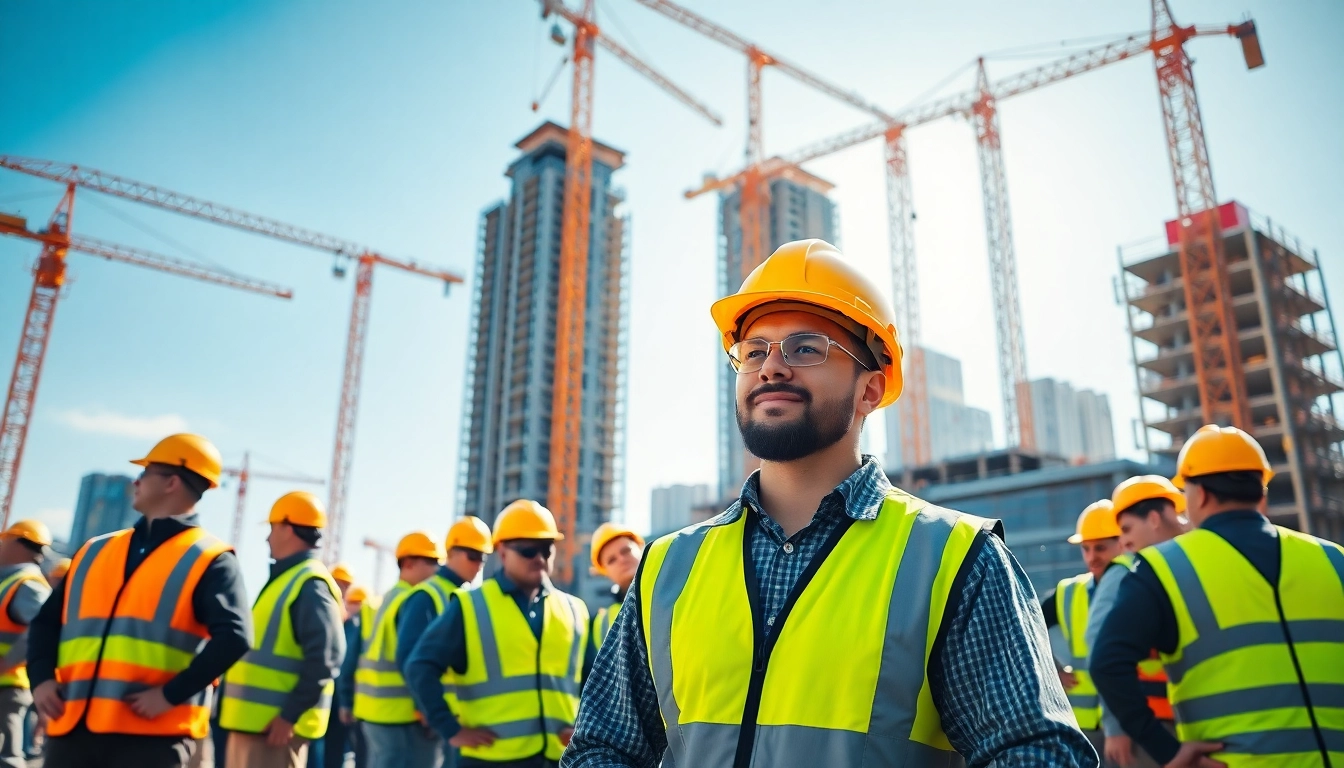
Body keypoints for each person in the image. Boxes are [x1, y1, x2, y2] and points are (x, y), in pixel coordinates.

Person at [562, 239, 1094, 766]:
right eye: (754, 351)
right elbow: (603, 748)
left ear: (870, 391)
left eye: (805, 347)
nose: (772, 367)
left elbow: (1035, 755)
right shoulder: (667, 567)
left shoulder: (958, 561)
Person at [1093, 425, 1344, 767]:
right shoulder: (1332, 558)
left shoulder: (1163, 567)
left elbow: (1107, 663)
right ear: (1261, 489)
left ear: (1200, 495)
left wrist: (1166, 751)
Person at [27, 433, 252, 768]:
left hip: (151, 739)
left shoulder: (211, 558)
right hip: (72, 728)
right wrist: (41, 678)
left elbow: (235, 637)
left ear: (172, 482)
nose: (137, 481)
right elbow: (46, 622)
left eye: (146, 472)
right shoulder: (94, 550)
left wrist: (168, 696)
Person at [405, 499, 590, 767]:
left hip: (559, 757)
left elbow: (593, 682)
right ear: (502, 552)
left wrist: (585, 726)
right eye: (527, 550)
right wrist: (450, 730)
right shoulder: (470, 606)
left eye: (546, 549)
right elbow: (419, 666)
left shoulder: (575, 610)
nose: (539, 558)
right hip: (490, 758)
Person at [219, 491, 345, 768]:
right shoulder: (287, 579)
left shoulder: (310, 583)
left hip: (275, 732)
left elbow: (326, 659)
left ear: (288, 529)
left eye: (272, 528)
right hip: (255, 728)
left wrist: (289, 716)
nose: (267, 538)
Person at [1086, 476, 1188, 768]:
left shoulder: (1176, 562)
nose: (1124, 542)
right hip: (1155, 723)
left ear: (1154, 518)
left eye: (1127, 530)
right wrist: (1117, 726)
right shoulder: (1128, 570)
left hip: (1186, 719)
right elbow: (1103, 655)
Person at [352, 532, 444, 768]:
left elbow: (353, 657)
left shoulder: (380, 602)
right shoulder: (413, 601)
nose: (437, 569)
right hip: (404, 715)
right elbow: (413, 662)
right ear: (409, 563)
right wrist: (427, 709)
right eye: (432, 562)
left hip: (374, 711)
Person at [1052, 500, 1127, 761]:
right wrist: (1052, 666)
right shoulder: (1069, 591)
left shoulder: (1138, 585)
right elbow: (1022, 621)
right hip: (1083, 724)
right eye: (1086, 549)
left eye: (1101, 548)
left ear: (1122, 543)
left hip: (1128, 719)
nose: (1092, 557)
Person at [0, 521, 52, 768]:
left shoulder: (28, 584)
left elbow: (42, 629)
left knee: (8, 758)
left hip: (8, 686)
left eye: (4, 541)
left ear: (18, 544)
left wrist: (6, 662)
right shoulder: (12, 580)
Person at [586, 522, 643, 661]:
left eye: (626, 551)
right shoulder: (603, 622)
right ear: (605, 572)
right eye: (612, 560)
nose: (622, 559)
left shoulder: (671, 591)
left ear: (641, 549)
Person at [333, 583, 374, 768]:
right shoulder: (370, 622)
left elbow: (347, 666)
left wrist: (345, 702)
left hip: (360, 704)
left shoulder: (354, 624)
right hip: (370, 706)